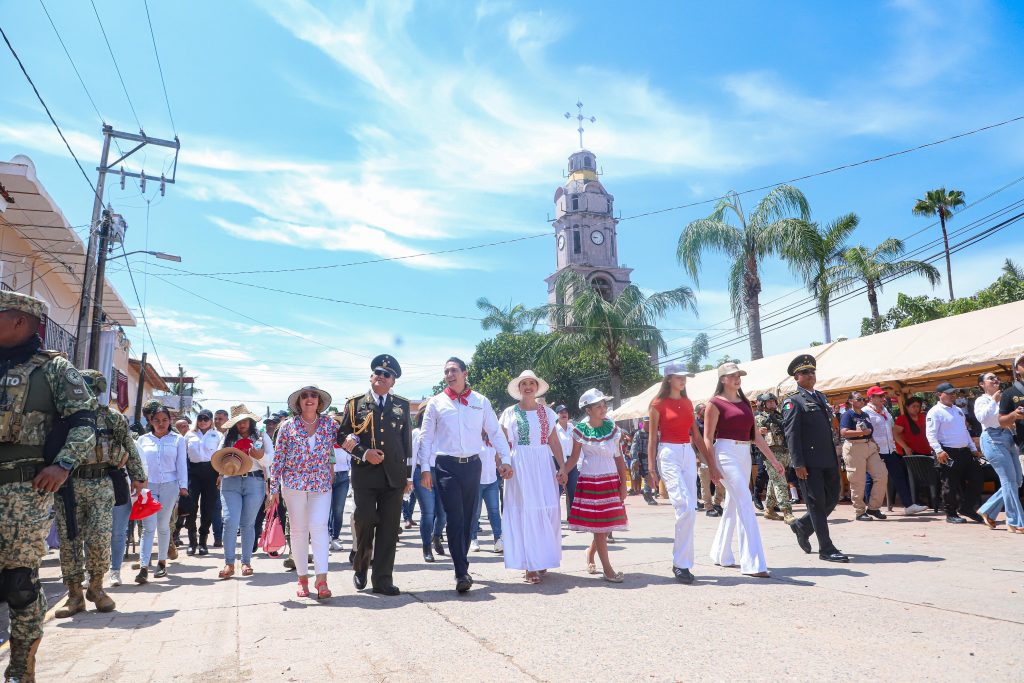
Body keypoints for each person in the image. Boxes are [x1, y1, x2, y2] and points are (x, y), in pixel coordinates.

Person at [0, 291, 98, 680]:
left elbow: (84, 422)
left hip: (25, 491)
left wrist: (62, 466)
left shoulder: (55, 370)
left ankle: (21, 667)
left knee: (20, 582)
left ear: (21, 321)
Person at [52, 370, 145, 618]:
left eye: (92, 390)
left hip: (102, 483)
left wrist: (138, 476)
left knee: (100, 537)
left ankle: (96, 588)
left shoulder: (113, 419)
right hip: (68, 485)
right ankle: (74, 595)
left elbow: (129, 447)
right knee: (69, 539)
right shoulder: (62, 417)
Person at [420, 357, 512, 594]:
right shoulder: (436, 403)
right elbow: (427, 437)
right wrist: (425, 468)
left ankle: (461, 562)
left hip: (473, 465)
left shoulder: (480, 401)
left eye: (453, 370)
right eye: (446, 371)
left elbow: (495, 431)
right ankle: (461, 571)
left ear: (465, 373)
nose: (449, 374)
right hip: (445, 466)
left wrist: (506, 458)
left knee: (470, 518)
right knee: (456, 518)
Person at [337, 355, 413, 597]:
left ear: (393, 382)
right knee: (365, 521)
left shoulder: (402, 405)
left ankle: (382, 579)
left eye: (387, 374)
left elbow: (407, 444)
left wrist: (409, 477)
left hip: (394, 476)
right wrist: (363, 452)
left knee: (389, 530)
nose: (381, 375)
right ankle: (361, 566)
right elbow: (342, 437)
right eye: (377, 372)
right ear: (371, 376)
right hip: (365, 475)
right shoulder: (354, 404)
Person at [703, 363, 784, 578]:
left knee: (733, 503)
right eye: (732, 375)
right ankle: (753, 563)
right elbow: (707, 439)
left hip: (744, 453)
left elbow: (756, 436)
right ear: (722, 379)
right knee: (745, 501)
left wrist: (774, 461)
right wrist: (712, 467)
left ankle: (720, 553)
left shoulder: (746, 402)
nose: (737, 378)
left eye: (739, 375)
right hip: (725, 453)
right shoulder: (714, 404)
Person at [269, 385, 338, 598]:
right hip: (293, 484)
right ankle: (302, 580)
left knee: (319, 526)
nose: (310, 399)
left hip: (321, 483)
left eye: (314, 395)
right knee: (299, 530)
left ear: (319, 401)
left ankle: (322, 580)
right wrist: (273, 490)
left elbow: (344, 443)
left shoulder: (330, 425)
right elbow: (278, 457)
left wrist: (334, 465)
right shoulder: (288, 426)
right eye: (305, 396)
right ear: (299, 402)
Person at [647, 364, 713, 584]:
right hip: (668, 452)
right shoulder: (657, 404)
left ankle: (682, 563)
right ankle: (680, 563)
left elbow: (695, 433)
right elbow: (652, 439)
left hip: (687, 452)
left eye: (685, 377)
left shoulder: (687, 403)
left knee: (691, 509)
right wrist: (651, 468)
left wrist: (710, 462)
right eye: (679, 377)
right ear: (668, 379)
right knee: (684, 505)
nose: (683, 380)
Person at [498, 371, 566, 584]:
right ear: (519, 388)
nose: (528, 387)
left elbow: (554, 441)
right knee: (525, 511)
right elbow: (500, 441)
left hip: (543, 463)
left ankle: (542, 557)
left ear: (537, 388)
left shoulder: (548, 412)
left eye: (531, 383)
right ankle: (529, 564)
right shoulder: (509, 412)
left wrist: (562, 466)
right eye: (524, 384)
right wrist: (502, 464)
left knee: (546, 509)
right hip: (520, 464)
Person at [783, 355, 849, 563]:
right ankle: (826, 549)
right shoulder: (793, 401)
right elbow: (792, 435)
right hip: (809, 463)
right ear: (796, 377)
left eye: (812, 372)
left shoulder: (821, 397)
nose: (810, 375)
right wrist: (798, 463)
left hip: (828, 458)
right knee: (816, 504)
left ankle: (802, 526)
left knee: (831, 499)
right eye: (805, 372)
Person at [561, 388, 628, 583]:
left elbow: (619, 457)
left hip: (610, 480)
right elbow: (574, 458)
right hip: (592, 481)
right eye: (598, 406)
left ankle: (590, 553)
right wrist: (563, 471)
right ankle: (608, 570)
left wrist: (623, 483)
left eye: (604, 404)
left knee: (606, 526)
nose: (603, 408)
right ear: (588, 410)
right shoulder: (580, 431)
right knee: (601, 527)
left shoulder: (613, 428)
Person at [216, 404, 273, 578]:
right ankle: (229, 563)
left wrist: (260, 456)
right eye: (238, 422)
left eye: (244, 421)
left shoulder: (261, 436)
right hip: (230, 481)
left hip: (254, 481)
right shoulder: (227, 438)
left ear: (250, 421)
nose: (242, 425)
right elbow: (218, 458)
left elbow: (271, 459)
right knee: (230, 521)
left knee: (248, 524)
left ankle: (246, 562)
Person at [135, 405, 188, 583]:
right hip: (148, 486)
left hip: (170, 486)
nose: (161, 423)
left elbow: (182, 464)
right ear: (150, 421)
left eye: (164, 420)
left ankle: (162, 563)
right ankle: (143, 566)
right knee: (148, 526)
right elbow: (138, 465)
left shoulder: (178, 440)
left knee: (163, 525)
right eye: (156, 420)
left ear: (170, 421)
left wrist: (183, 486)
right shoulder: (142, 440)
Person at [863, 386, 928, 516]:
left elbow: (891, 429)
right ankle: (870, 507)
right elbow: (866, 432)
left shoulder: (885, 410)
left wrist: (895, 445)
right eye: (880, 396)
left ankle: (909, 505)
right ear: (871, 398)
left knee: (899, 476)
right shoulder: (865, 412)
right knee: (872, 478)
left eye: (883, 396)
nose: (883, 398)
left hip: (889, 449)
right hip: (875, 450)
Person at [926, 382, 984, 524]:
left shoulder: (958, 410)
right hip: (948, 452)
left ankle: (967, 508)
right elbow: (930, 434)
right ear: (939, 395)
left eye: (954, 393)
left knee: (978, 478)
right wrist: (938, 450)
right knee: (950, 484)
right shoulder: (935, 411)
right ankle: (950, 513)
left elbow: (964, 431)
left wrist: (973, 448)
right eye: (949, 393)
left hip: (964, 451)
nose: (953, 396)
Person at [976, 371, 1023, 532]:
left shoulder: (1006, 397)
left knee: (1017, 481)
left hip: (1008, 436)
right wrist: (993, 401)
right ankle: (1014, 521)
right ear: (982, 384)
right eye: (991, 378)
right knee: (1009, 481)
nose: (996, 380)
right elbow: (984, 419)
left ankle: (988, 509)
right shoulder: (981, 400)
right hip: (992, 438)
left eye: (997, 378)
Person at [839, 391, 888, 521]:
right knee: (858, 481)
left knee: (882, 474)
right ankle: (860, 511)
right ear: (851, 401)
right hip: (854, 447)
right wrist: (861, 433)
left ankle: (873, 507)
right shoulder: (847, 414)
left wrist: (874, 442)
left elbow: (869, 431)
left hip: (869, 446)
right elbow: (844, 432)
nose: (863, 401)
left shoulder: (865, 414)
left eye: (863, 399)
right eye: (859, 399)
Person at [411, 401, 449, 561]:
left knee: (443, 514)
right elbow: (412, 457)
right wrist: (409, 479)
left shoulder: (443, 433)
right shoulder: (416, 433)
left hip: (442, 473)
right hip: (421, 472)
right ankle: (426, 547)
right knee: (428, 513)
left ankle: (437, 536)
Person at [183, 409, 223, 556]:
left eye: (206, 419)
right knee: (191, 506)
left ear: (211, 420)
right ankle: (192, 541)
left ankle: (202, 542)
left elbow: (221, 457)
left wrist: (220, 474)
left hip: (211, 472)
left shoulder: (218, 435)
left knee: (208, 508)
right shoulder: (189, 435)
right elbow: (183, 457)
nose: (203, 421)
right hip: (193, 472)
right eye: (200, 418)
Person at [755, 393, 795, 523]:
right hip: (770, 454)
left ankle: (769, 510)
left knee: (774, 481)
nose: (772, 403)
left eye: (773, 401)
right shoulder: (759, 418)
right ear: (763, 404)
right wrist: (759, 432)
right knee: (780, 482)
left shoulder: (781, 416)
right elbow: (751, 437)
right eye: (769, 402)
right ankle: (787, 511)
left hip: (784, 451)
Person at [470, 431, 503, 553]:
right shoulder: (473, 440)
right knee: (475, 512)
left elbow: (497, 459)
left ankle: (498, 539)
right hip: (477, 482)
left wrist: (501, 469)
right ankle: (473, 539)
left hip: (492, 481)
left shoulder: (492, 441)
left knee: (494, 511)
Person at [328, 412, 352, 552]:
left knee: (338, 510)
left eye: (336, 423)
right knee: (325, 510)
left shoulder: (344, 443)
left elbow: (352, 460)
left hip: (343, 478)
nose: (334, 425)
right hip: (326, 477)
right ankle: (325, 538)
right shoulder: (324, 441)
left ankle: (335, 537)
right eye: (331, 423)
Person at [695, 402, 724, 517]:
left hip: (715, 451)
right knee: (705, 481)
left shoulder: (712, 421)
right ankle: (708, 507)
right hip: (702, 454)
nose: (706, 410)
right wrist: (696, 456)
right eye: (703, 409)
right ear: (698, 413)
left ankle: (717, 502)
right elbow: (693, 441)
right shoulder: (696, 424)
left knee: (720, 479)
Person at [554, 404, 578, 520]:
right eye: (561, 412)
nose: (564, 414)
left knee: (573, 489)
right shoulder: (554, 429)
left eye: (565, 412)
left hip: (572, 461)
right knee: (557, 489)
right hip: (559, 461)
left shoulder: (573, 428)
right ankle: (554, 516)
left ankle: (573, 517)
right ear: (557, 415)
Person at [629, 420, 657, 505]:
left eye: (650, 422)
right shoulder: (639, 434)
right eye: (646, 423)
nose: (648, 424)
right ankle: (647, 494)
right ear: (643, 424)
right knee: (647, 476)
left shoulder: (655, 433)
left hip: (653, 458)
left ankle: (648, 493)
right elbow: (634, 447)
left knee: (653, 475)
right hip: (643, 458)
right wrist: (635, 459)